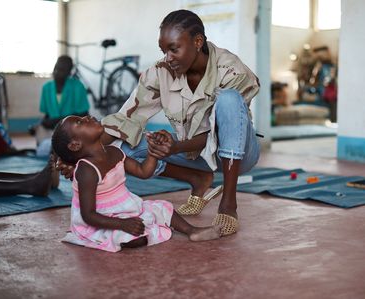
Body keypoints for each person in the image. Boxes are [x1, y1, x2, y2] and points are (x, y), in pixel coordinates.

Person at [57, 10, 261, 236]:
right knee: (122, 149)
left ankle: (228, 203)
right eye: (164, 51)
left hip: (237, 155)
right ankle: (198, 178)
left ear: (197, 41)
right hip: (196, 156)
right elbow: (126, 120)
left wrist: (177, 146)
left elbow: (219, 131)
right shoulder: (161, 72)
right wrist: (71, 154)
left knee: (230, 99)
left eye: (174, 49)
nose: (168, 58)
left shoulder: (230, 68)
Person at [51, 115, 222, 252]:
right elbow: (88, 215)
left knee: (164, 207)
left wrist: (153, 151)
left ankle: (192, 231)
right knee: (134, 237)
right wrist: (122, 224)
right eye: (80, 122)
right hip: (102, 217)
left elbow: (143, 171)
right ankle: (130, 231)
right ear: (75, 145)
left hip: (126, 207)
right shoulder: (86, 170)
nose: (87, 117)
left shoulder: (114, 152)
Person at [32, 55, 90, 156]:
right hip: (54, 129)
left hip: (71, 129)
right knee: (40, 129)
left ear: (69, 73)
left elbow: (83, 114)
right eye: (56, 68)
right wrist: (40, 123)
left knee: (75, 137)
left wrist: (58, 121)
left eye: (62, 70)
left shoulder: (78, 86)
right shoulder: (46, 88)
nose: (57, 72)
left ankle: (54, 150)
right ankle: (51, 150)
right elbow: (47, 115)